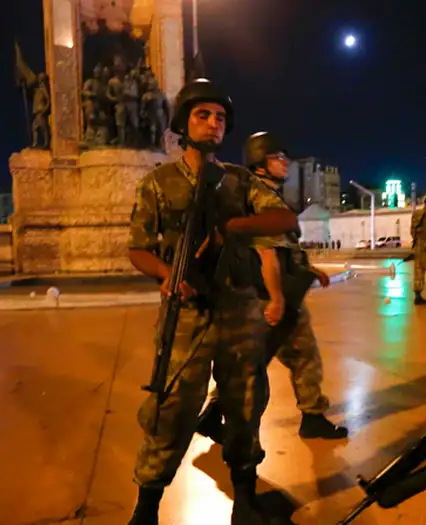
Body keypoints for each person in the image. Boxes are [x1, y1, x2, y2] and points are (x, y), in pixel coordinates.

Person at [126, 78, 299, 525]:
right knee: (171, 409)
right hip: (186, 315)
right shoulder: (159, 184)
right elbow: (137, 249)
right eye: (202, 115)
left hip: (238, 310)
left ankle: (245, 498)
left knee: (245, 404)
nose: (213, 123)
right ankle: (147, 507)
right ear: (184, 124)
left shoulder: (239, 181)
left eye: (220, 117)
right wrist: (167, 275)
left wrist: (233, 228)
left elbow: (284, 219)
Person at [197, 131, 350, 441]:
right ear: (260, 164)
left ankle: (214, 412)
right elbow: (267, 251)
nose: (285, 162)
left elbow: (283, 250)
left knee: (255, 361)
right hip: (272, 296)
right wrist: (278, 299)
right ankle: (311, 416)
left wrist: (309, 270)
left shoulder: (263, 195)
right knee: (297, 356)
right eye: (277, 157)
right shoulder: (261, 198)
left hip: (268, 294)